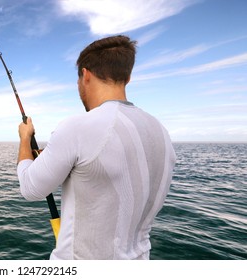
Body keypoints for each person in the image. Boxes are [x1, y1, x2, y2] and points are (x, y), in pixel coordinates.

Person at [17, 35, 176, 260]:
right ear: (128, 77)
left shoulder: (78, 127)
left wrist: (25, 138)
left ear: (85, 75)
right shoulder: (161, 132)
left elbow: (30, 188)